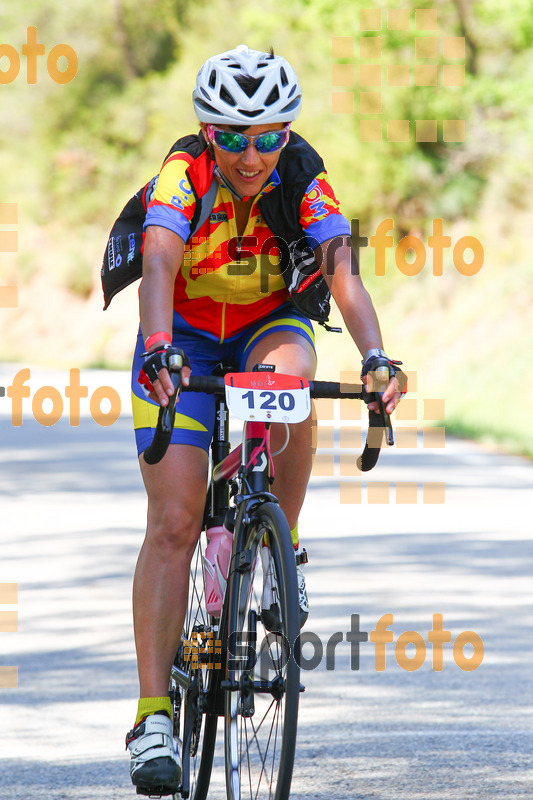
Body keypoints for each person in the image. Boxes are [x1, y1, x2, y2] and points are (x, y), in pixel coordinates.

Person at [125, 44, 404, 796]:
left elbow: (341, 271)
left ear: (287, 131)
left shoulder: (304, 177)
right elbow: (157, 262)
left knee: (290, 380)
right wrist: (156, 348)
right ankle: (153, 717)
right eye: (233, 137)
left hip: (265, 323)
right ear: (206, 132)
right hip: (181, 333)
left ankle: (279, 534)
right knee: (174, 522)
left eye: (269, 136)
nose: (252, 155)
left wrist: (376, 356)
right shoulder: (184, 175)